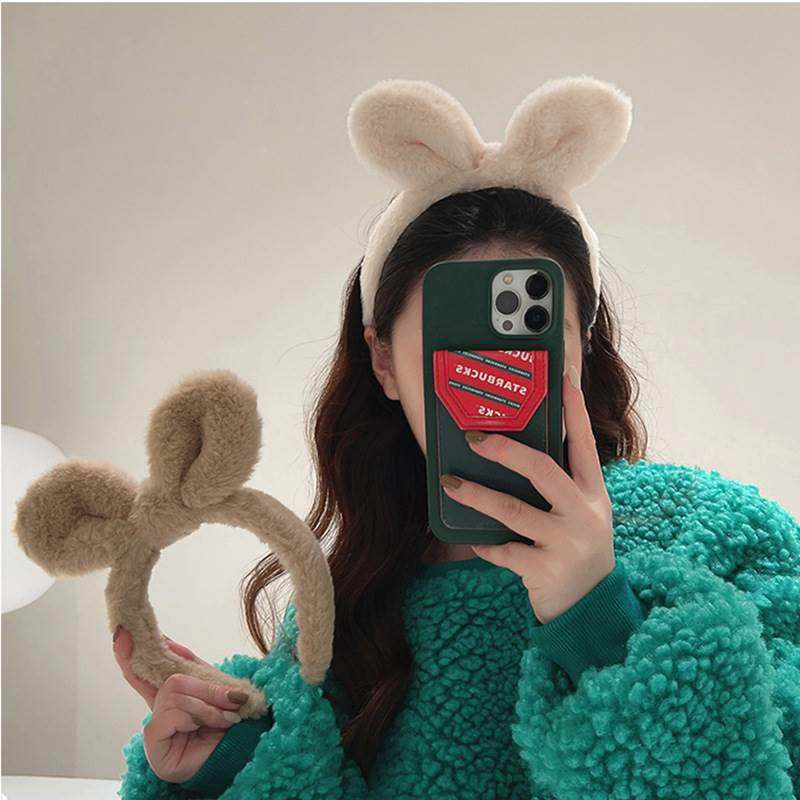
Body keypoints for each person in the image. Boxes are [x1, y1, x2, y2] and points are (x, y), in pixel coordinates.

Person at [113, 186, 800, 800]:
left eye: (529, 342)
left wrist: (597, 618)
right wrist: (234, 765)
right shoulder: (348, 603)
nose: (492, 377)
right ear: (384, 362)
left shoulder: (722, 538)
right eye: (457, 346)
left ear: (582, 348)